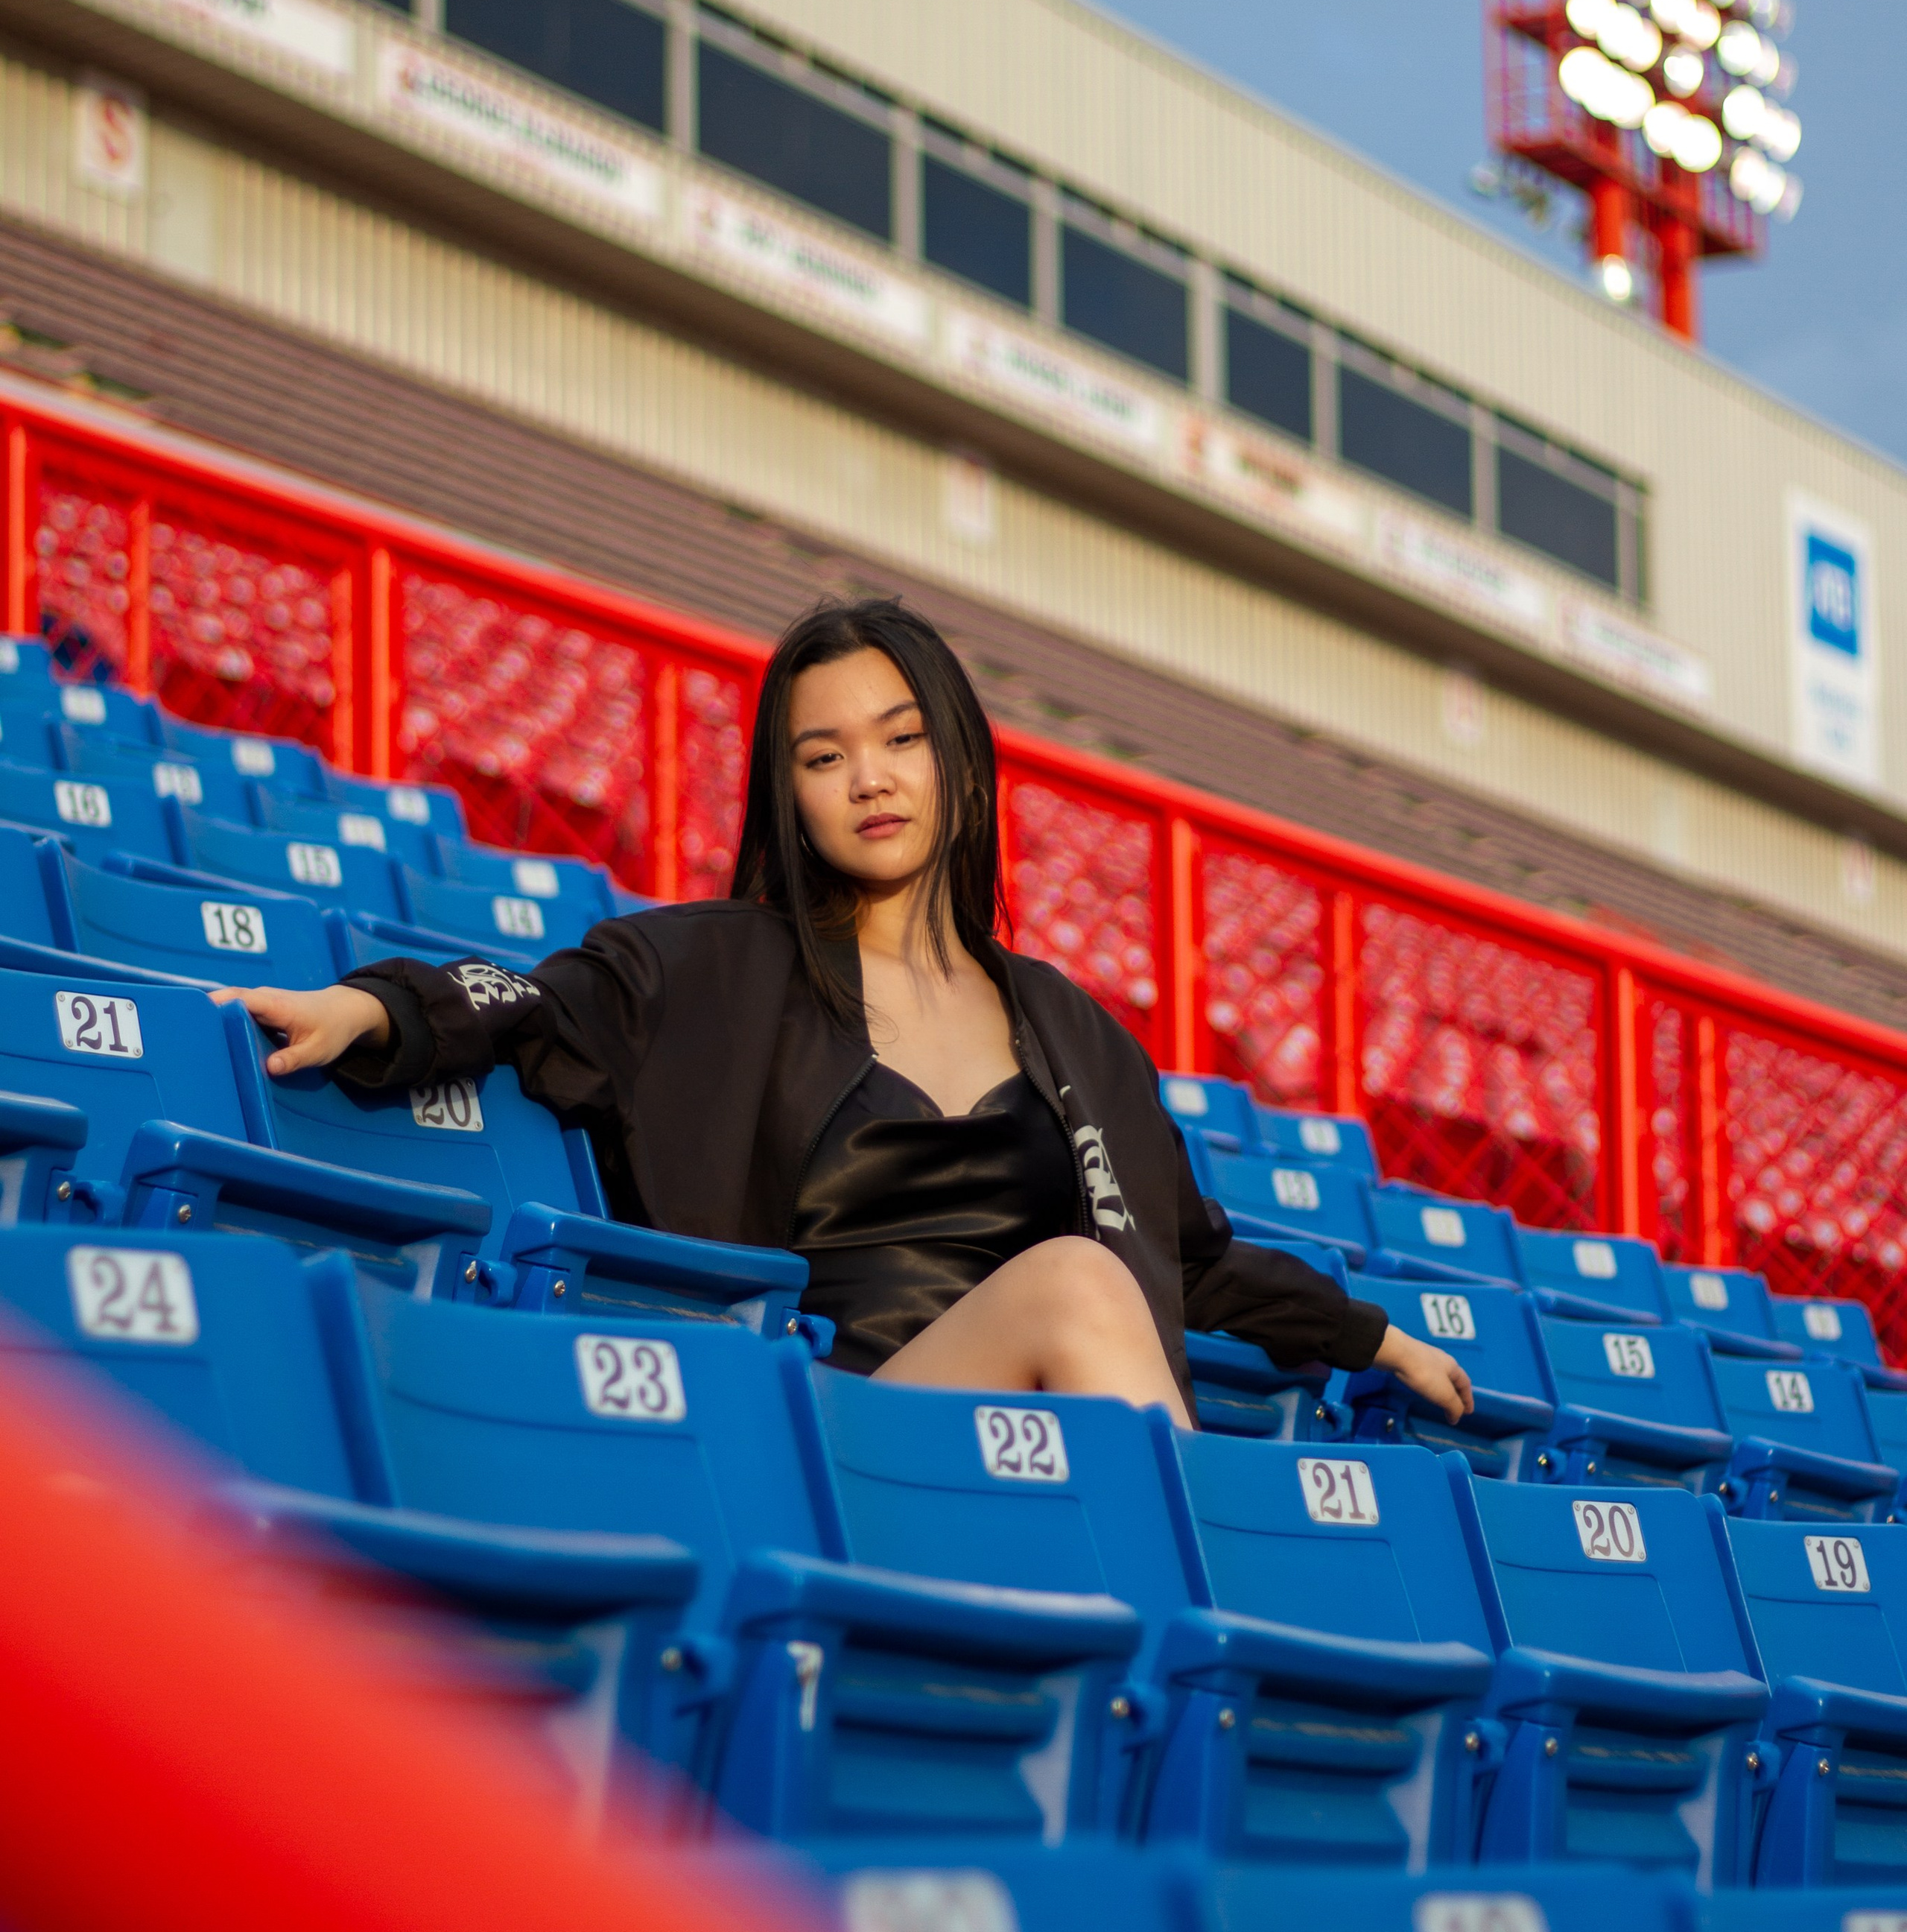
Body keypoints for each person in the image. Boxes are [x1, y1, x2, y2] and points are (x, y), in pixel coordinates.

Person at [216, 596, 1473, 1432]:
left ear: (960, 765)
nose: (867, 777)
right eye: (823, 757)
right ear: (792, 796)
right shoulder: (724, 966)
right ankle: (1214, 1660)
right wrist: (371, 1007)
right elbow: (539, 1000)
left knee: (1097, 1285)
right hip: (841, 1427)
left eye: (900, 739)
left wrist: (1368, 1333)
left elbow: (1190, 1258)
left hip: (1043, 1434)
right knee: (1085, 1291)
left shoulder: (1072, 1030)